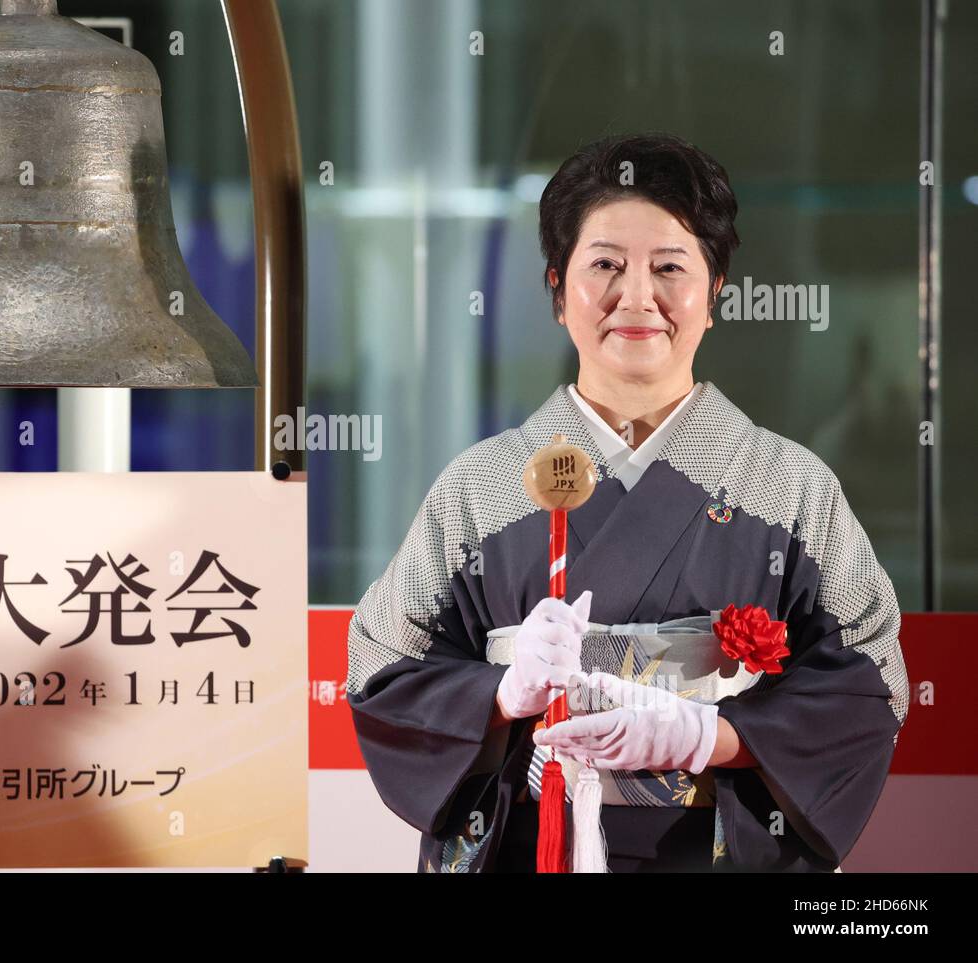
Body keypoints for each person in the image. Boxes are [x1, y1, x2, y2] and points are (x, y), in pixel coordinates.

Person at [344, 132, 909, 873]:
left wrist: (712, 738)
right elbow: (382, 666)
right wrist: (500, 693)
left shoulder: (791, 487)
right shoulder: (479, 486)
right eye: (605, 265)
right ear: (557, 290)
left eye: (670, 268)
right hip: (531, 850)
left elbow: (871, 680)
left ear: (715, 295)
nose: (636, 297)